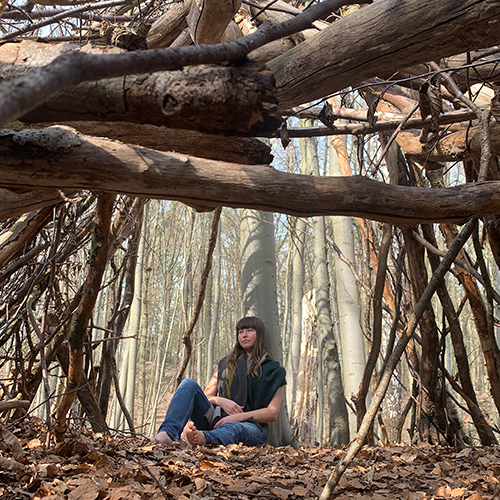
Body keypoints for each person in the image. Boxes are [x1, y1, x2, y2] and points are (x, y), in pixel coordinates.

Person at [154, 316, 286, 446]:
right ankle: (167, 433)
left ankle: (203, 438)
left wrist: (236, 417)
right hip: (217, 419)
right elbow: (206, 396)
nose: (244, 335)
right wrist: (221, 401)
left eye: (250, 330)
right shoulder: (225, 364)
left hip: (253, 427)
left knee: (234, 428)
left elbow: (272, 413)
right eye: (240, 332)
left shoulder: (273, 370)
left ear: (260, 335)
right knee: (188, 384)